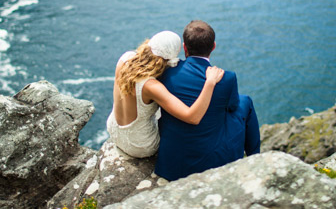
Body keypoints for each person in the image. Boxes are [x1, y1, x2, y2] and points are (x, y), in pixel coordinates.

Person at [154, 20, 261, 181]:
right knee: (245, 102)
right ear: (213, 46)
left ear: (184, 47)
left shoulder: (167, 73)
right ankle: (255, 161)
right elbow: (232, 106)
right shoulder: (227, 78)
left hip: (172, 165)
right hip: (212, 163)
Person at [106, 30, 224, 158]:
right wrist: (210, 83)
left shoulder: (125, 58)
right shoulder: (151, 86)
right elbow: (192, 117)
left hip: (114, 130)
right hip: (139, 146)